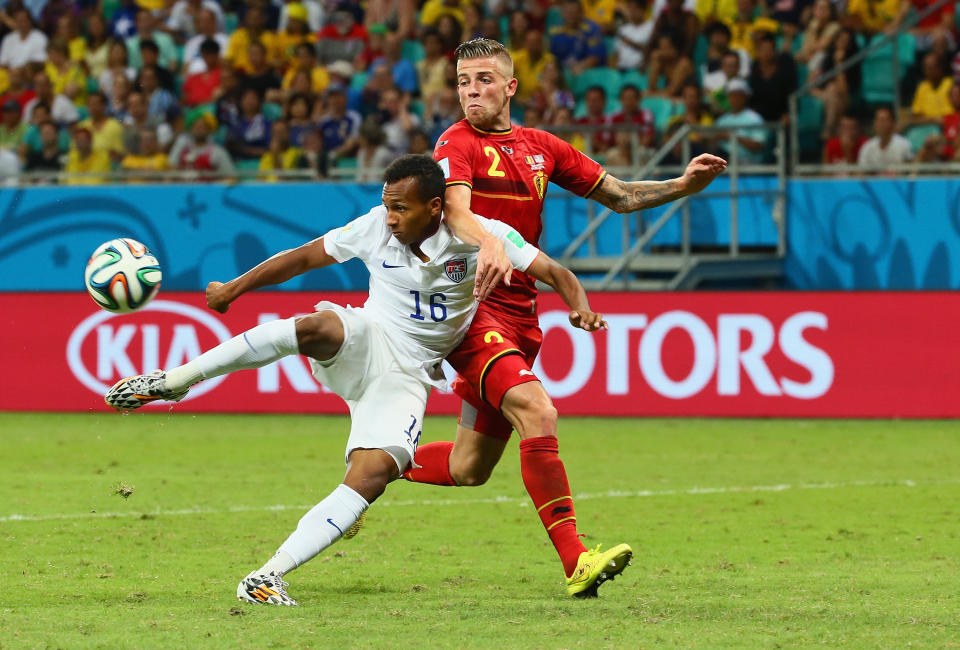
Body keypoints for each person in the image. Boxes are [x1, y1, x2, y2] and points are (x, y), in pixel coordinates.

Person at [103, 155, 606, 606]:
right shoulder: (374, 228)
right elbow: (303, 257)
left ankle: (266, 576)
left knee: (372, 476)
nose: (390, 217)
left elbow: (556, 272)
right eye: (386, 205)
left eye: (400, 208)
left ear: (435, 207)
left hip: (407, 374)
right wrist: (235, 288)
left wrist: (579, 305)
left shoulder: (484, 236)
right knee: (316, 326)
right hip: (369, 336)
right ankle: (173, 381)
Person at [405, 38, 726, 597]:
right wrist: (490, 243)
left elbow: (621, 197)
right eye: (461, 81)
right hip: (472, 306)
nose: (470, 91)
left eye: (482, 80)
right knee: (537, 409)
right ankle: (577, 559)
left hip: (522, 313)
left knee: (468, 467)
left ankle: (375, 465)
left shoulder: (542, 146)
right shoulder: (454, 143)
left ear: (510, 87)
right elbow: (455, 210)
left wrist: (682, 185)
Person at [715, 78, 766, 163]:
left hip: (749, 164)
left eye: (738, 95)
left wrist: (733, 137)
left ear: (745, 97)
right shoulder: (722, 120)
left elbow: (758, 146)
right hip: (723, 163)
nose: (734, 99)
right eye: (732, 95)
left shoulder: (755, 118)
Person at [858, 105, 912, 171]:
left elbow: (909, 171)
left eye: (884, 120)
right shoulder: (867, 146)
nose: (881, 124)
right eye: (878, 120)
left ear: (893, 123)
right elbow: (861, 173)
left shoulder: (903, 144)